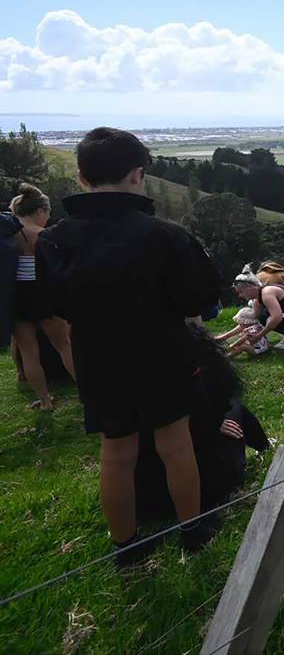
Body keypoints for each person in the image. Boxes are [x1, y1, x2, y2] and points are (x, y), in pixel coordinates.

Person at [37, 127, 223, 564]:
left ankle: (126, 545)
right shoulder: (165, 236)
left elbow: (52, 304)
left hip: (98, 357)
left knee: (116, 450)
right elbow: (201, 298)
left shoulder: (55, 240)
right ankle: (192, 529)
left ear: (82, 178)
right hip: (164, 353)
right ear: (138, 174)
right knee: (175, 443)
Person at [135, 325, 268, 520]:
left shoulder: (136, 384)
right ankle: (263, 445)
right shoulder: (200, 373)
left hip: (144, 498)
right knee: (235, 408)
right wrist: (213, 423)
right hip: (202, 491)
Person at [9, 184, 76, 409]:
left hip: (16, 296)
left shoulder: (8, 234)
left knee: (28, 351)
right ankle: (87, 393)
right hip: (42, 293)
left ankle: (45, 400)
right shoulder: (42, 235)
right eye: (47, 213)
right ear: (40, 211)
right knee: (64, 345)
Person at [232, 266, 284, 350]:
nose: (240, 296)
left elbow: (276, 318)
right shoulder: (259, 297)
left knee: (267, 318)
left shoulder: (267, 293)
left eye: (241, 292)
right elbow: (256, 316)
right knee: (263, 316)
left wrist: (258, 336)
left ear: (250, 287)